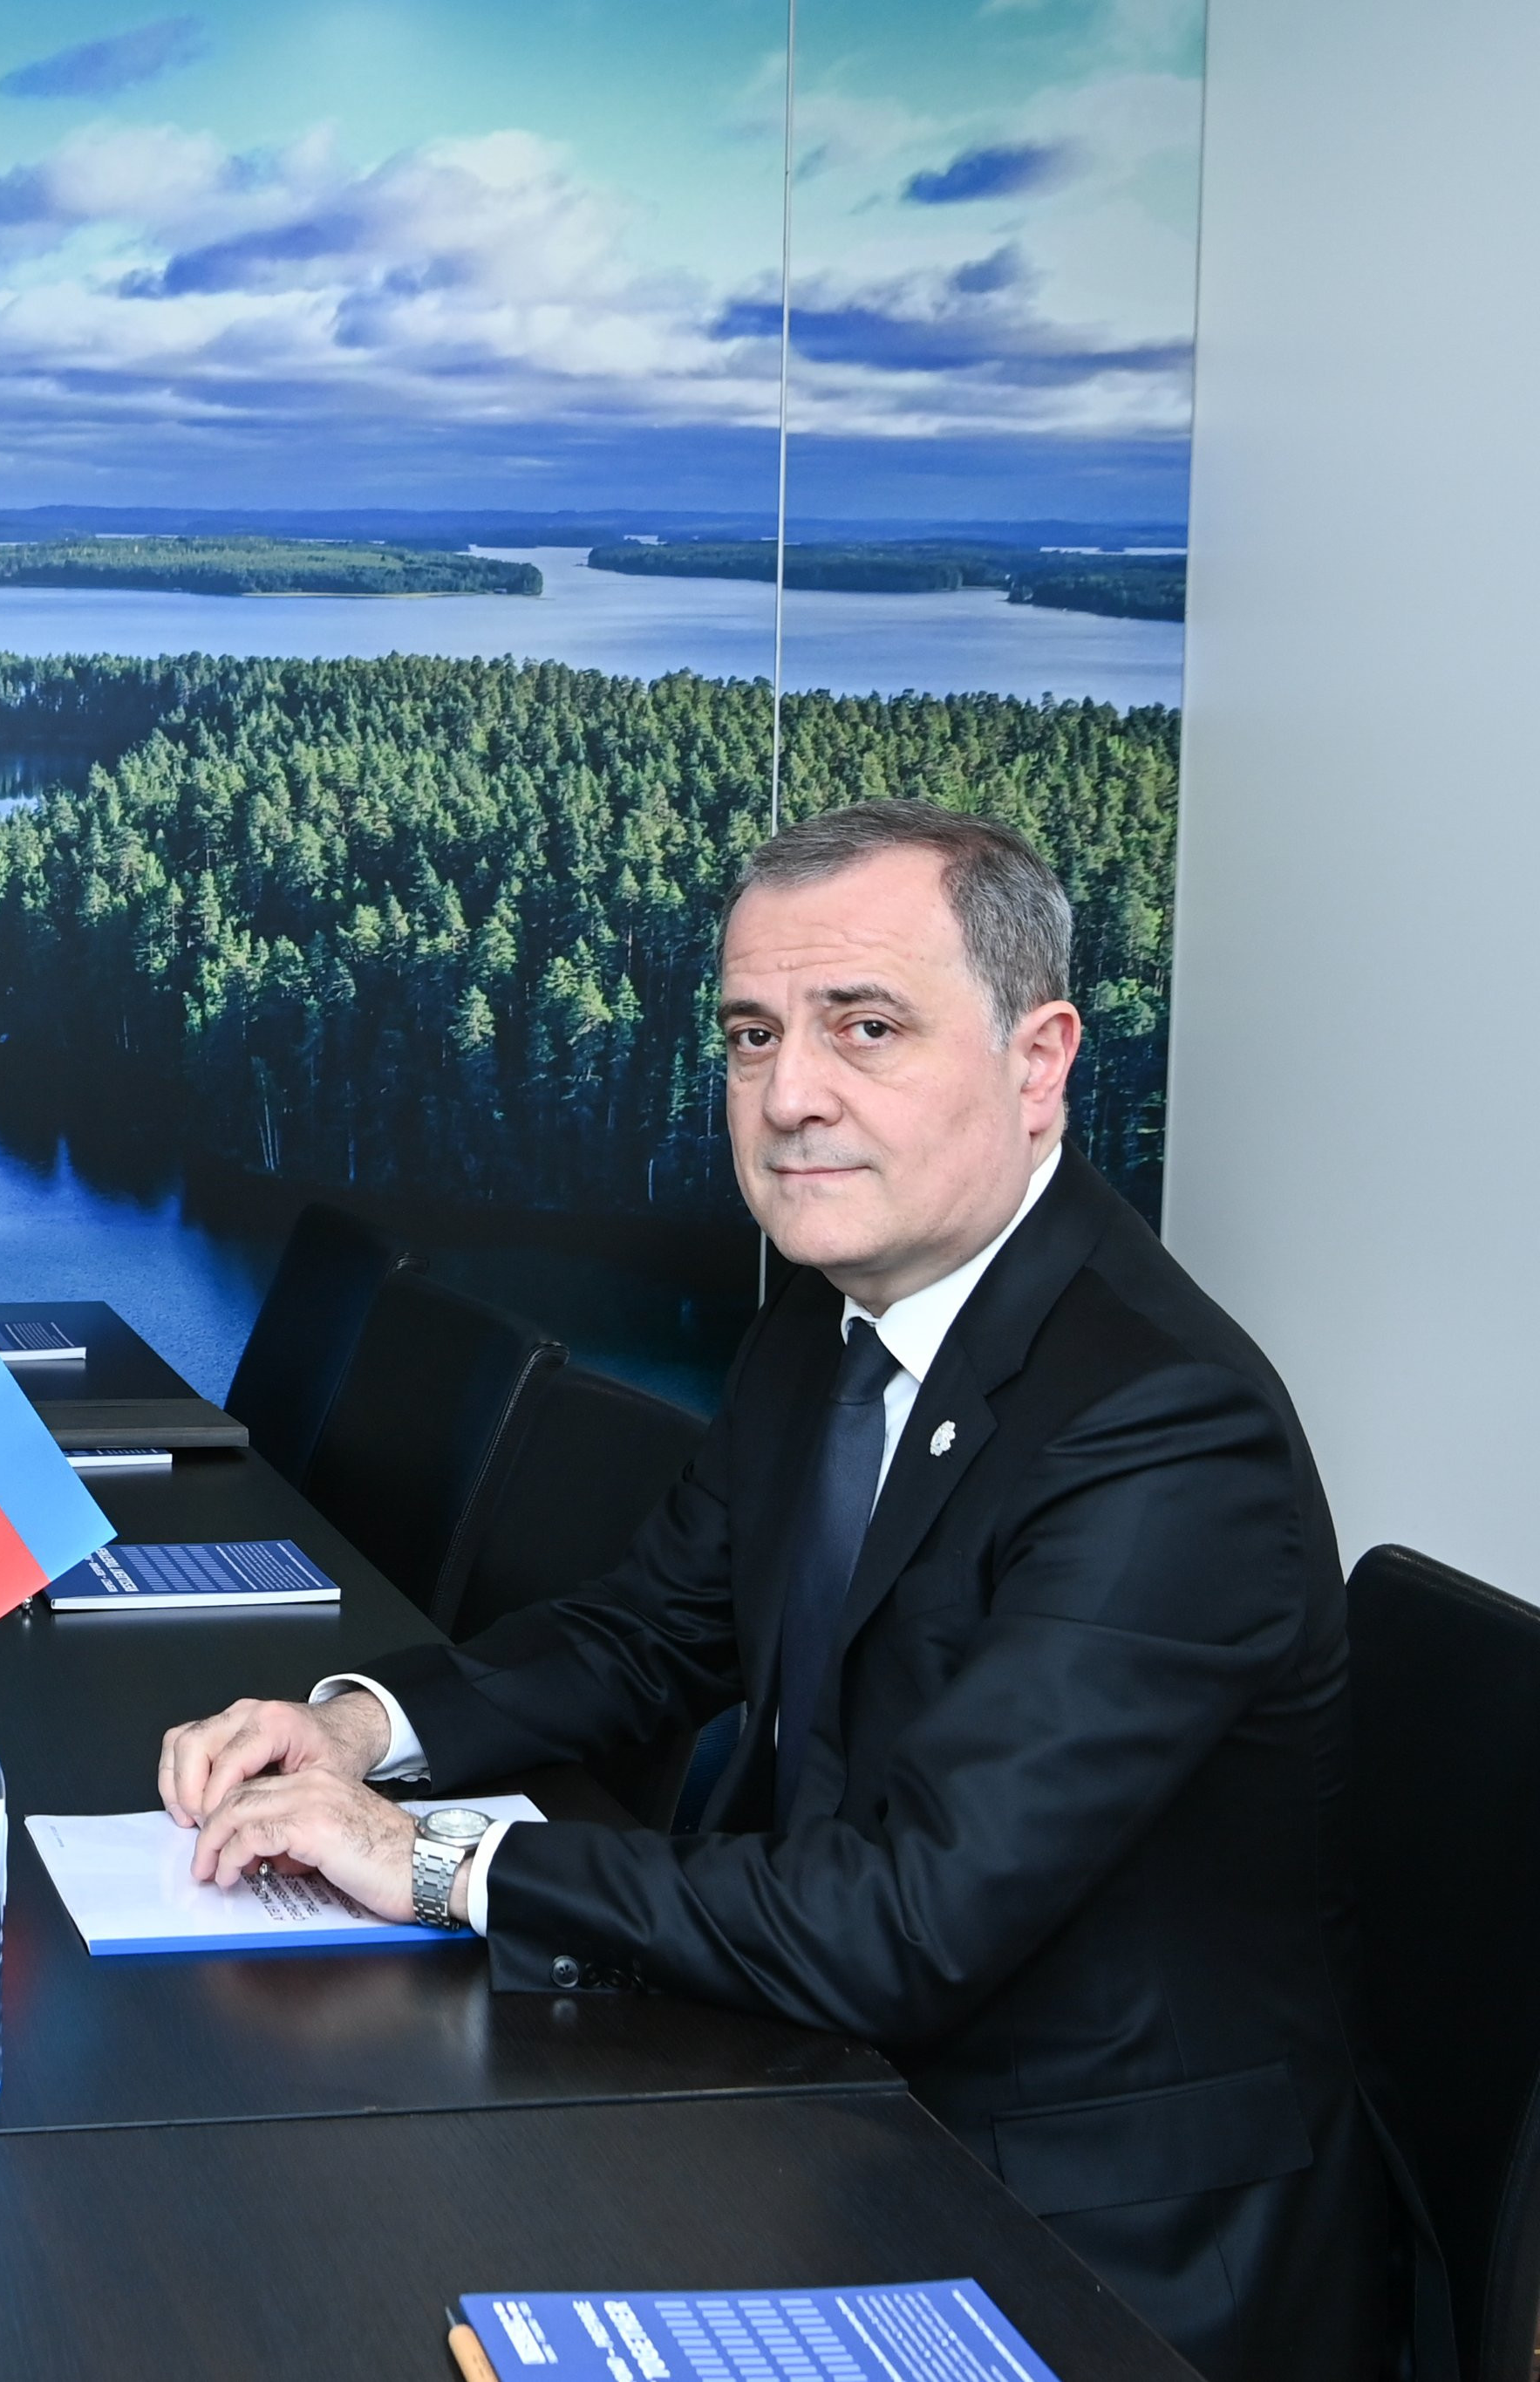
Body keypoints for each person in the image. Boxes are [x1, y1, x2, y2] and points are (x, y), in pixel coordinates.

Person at [157, 801, 1383, 2381]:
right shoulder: (828, 1323)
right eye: (752, 1036)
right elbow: (649, 1629)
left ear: (1039, 1062)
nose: (789, 1096)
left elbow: (910, 1918)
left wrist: (437, 1862)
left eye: (865, 1028)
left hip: (1086, 2237)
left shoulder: (1164, 1427)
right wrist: (357, 1729)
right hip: (824, 2086)